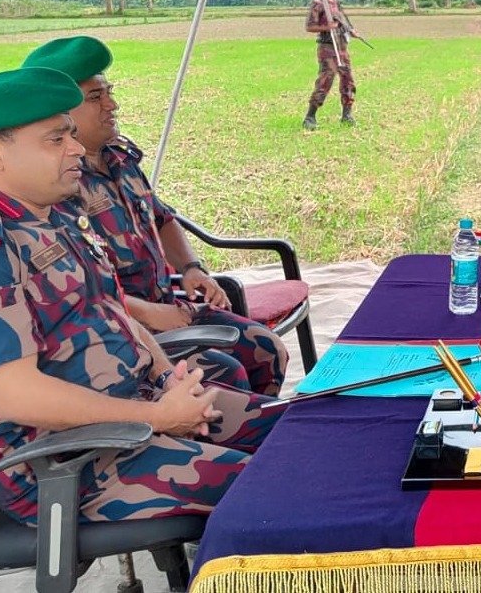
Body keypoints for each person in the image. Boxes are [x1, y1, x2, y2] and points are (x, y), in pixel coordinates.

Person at [0, 67, 281, 525]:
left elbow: (111, 309)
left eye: (71, 134)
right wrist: (161, 416)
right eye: (54, 140)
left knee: (296, 433)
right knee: (278, 492)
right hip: (68, 463)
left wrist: (168, 380)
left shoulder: (55, 215)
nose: (75, 149)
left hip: (135, 409)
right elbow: (16, 398)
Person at [23, 35, 291, 396]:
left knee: (267, 349)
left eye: (109, 92)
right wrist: (148, 313)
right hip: (121, 325)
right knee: (224, 378)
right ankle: (228, 444)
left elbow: (162, 219)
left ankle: (258, 440)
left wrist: (193, 268)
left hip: (169, 303)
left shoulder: (119, 158)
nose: (112, 105)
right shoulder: (53, 185)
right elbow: (78, 290)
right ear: (61, 112)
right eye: (95, 97)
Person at [303, 0, 358, 129]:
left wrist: (351, 30)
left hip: (341, 46)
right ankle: (310, 117)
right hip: (327, 47)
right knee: (325, 80)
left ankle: (347, 115)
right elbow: (309, 27)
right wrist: (327, 27)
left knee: (348, 80)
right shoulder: (318, 3)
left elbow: (344, 21)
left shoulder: (337, 3)